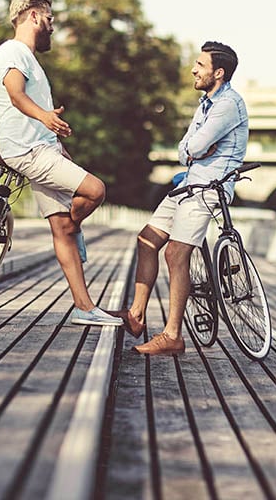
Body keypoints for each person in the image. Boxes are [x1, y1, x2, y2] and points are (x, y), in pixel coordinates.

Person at [0, 0, 121, 327]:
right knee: (95, 190)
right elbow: (15, 94)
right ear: (33, 16)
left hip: (41, 148)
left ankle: (84, 307)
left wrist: (58, 144)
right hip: (29, 151)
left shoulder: (29, 58)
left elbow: (28, 107)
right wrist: (46, 117)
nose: (52, 25)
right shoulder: (13, 51)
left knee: (61, 228)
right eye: (49, 18)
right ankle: (76, 227)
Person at [109, 41, 248, 355]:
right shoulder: (206, 104)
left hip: (209, 188)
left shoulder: (228, 104)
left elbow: (195, 147)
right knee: (147, 240)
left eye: (200, 65)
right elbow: (185, 149)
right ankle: (136, 316)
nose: (193, 70)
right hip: (188, 184)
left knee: (175, 253)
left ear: (219, 72)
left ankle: (173, 336)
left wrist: (195, 149)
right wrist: (194, 149)